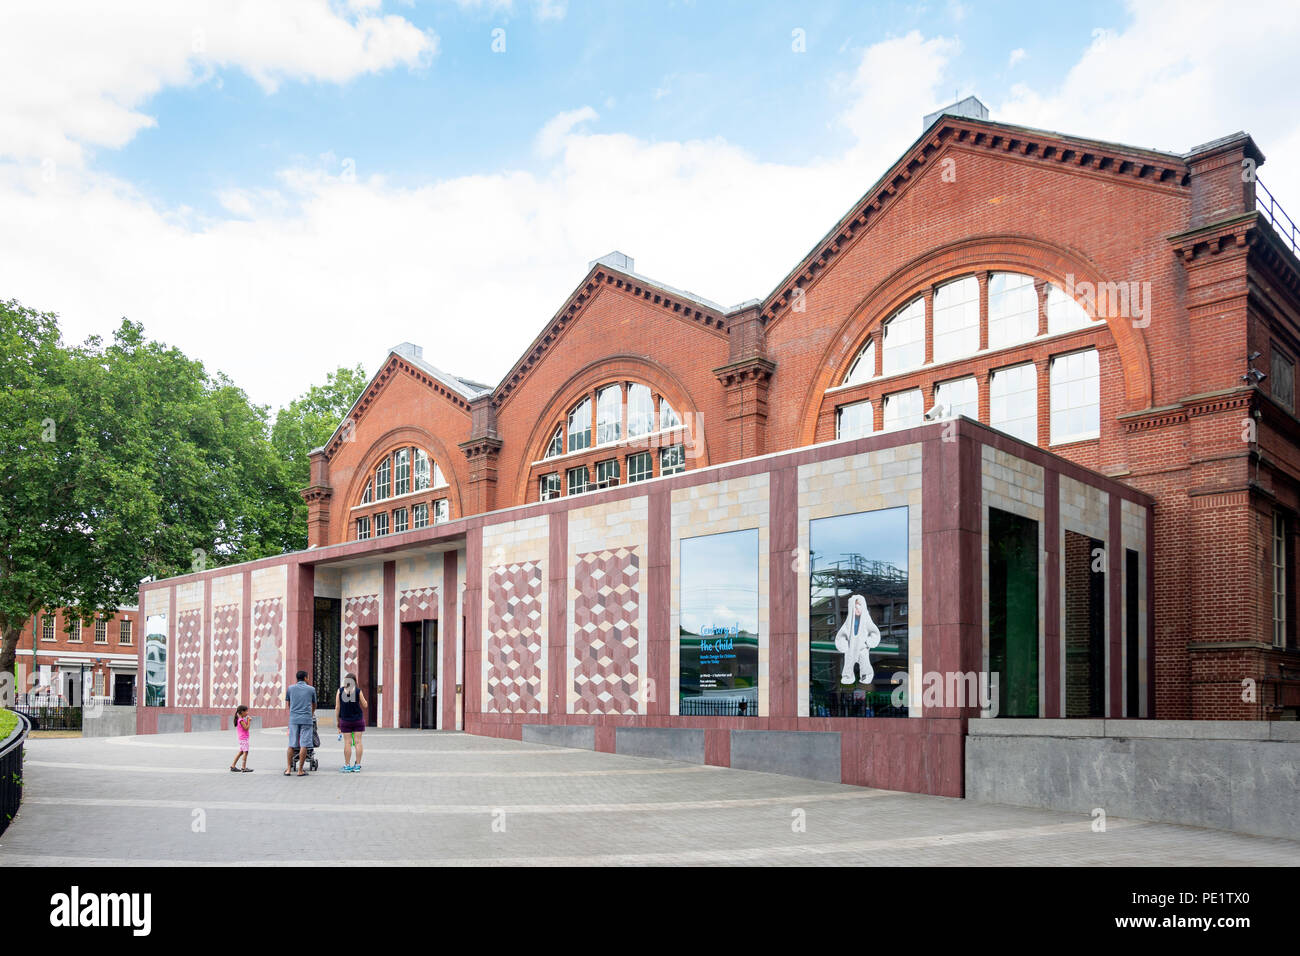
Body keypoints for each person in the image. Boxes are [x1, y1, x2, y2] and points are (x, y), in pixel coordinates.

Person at [284, 669, 317, 777]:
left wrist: (293, 713)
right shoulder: (311, 689)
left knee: (291, 744)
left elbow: (288, 703)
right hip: (306, 719)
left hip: (293, 719)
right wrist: (310, 714)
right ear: (305, 678)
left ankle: (288, 769)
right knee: (304, 744)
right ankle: (300, 770)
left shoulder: (290, 688)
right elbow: (314, 704)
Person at [335, 672, 368, 773]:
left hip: (345, 720)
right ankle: (357, 765)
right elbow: (365, 705)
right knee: (358, 742)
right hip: (358, 720)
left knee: (347, 743)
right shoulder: (358, 691)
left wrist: (338, 722)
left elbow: (337, 707)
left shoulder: (340, 691)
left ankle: (347, 765)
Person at [229, 705, 253, 772]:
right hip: (243, 739)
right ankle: (243, 767)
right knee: (246, 752)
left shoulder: (240, 719)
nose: (247, 713)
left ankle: (233, 766)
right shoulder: (241, 720)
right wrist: (248, 721)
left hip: (242, 738)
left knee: (241, 752)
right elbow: (246, 728)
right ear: (242, 712)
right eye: (246, 711)